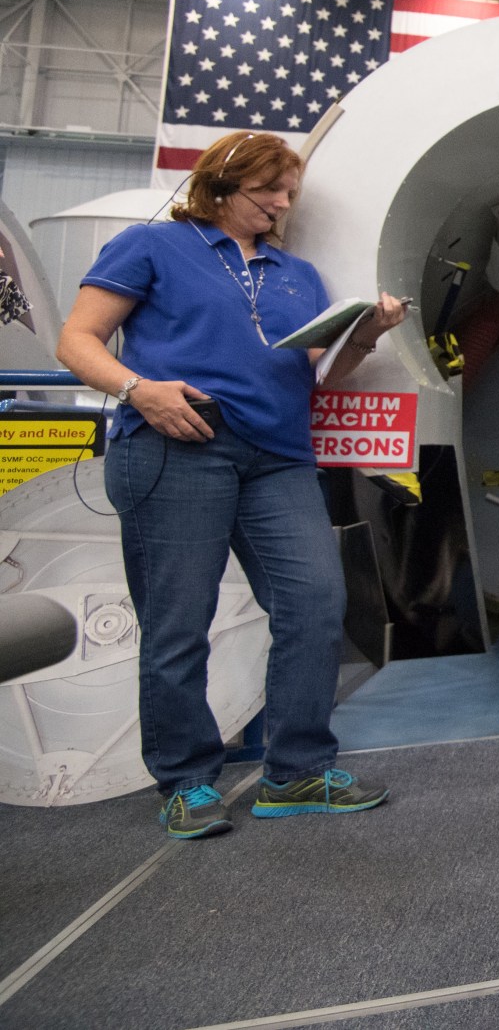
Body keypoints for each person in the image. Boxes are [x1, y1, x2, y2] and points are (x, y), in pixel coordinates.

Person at [55, 130, 409, 839]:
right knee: (179, 620)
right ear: (218, 187)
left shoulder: (296, 274)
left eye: (289, 193)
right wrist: (139, 390)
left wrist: (366, 332)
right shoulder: (152, 246)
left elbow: (322, 370)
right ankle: (186, 780)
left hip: (278, 454)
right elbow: (76, 341)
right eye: (268, 191)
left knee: (316, 601)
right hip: (178, 445)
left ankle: (296, 769)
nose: (281, 204)